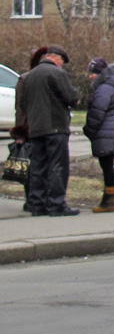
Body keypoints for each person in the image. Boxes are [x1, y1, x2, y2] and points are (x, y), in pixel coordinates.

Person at [23, 44, 81, 217]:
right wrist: (76, 96)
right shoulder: (57, 73)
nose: (62, 64)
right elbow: (71, 97)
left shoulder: (29, 76)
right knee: (57, 165)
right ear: (57, 58)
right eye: (62, 61)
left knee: (37, 166)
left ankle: (36, 204)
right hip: (55, 127)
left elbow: (24, 103)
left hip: (35, 128)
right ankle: (57, 204)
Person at [83, 57, 114, 213]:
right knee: (107, 165)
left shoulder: (103, 89)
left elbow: (97, 113)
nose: (90, 76)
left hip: (106, 131)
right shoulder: (113, 85)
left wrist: (88, 130)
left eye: (92, 73)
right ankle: (109, 199)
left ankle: (109, 201)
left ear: (99, 73)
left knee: (107, 166)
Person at [11, 46, 49, 211]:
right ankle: (32, 199)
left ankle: (42, 198)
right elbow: (20, 107)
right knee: (31, 165)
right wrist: (20, 131)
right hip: (30, 129)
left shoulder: (50, 77)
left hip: (47, 128)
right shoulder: (25, 79)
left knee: (45, 165)